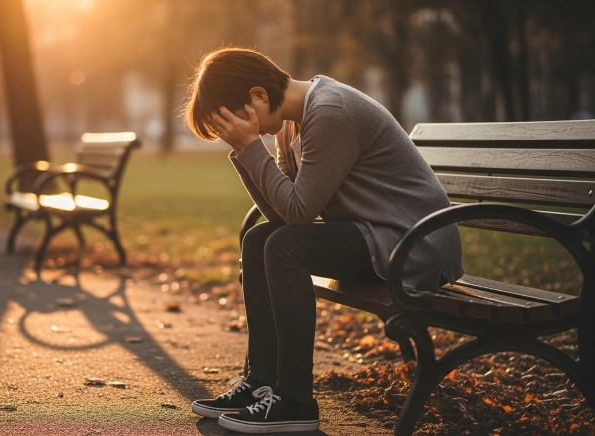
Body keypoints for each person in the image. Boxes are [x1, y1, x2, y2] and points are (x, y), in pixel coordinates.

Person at [184, 47, 464, 434]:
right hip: (377, 235)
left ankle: (296, 399)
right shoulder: (289, 124)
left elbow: (296, 216)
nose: (237, 131)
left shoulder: (330, 111)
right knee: (260, 239)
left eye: (234, 121)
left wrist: (250, 149)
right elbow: (283, 216)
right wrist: (243, 150)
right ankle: (261, 381)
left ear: (258, 96)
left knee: (284, 247)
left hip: (414, 245)